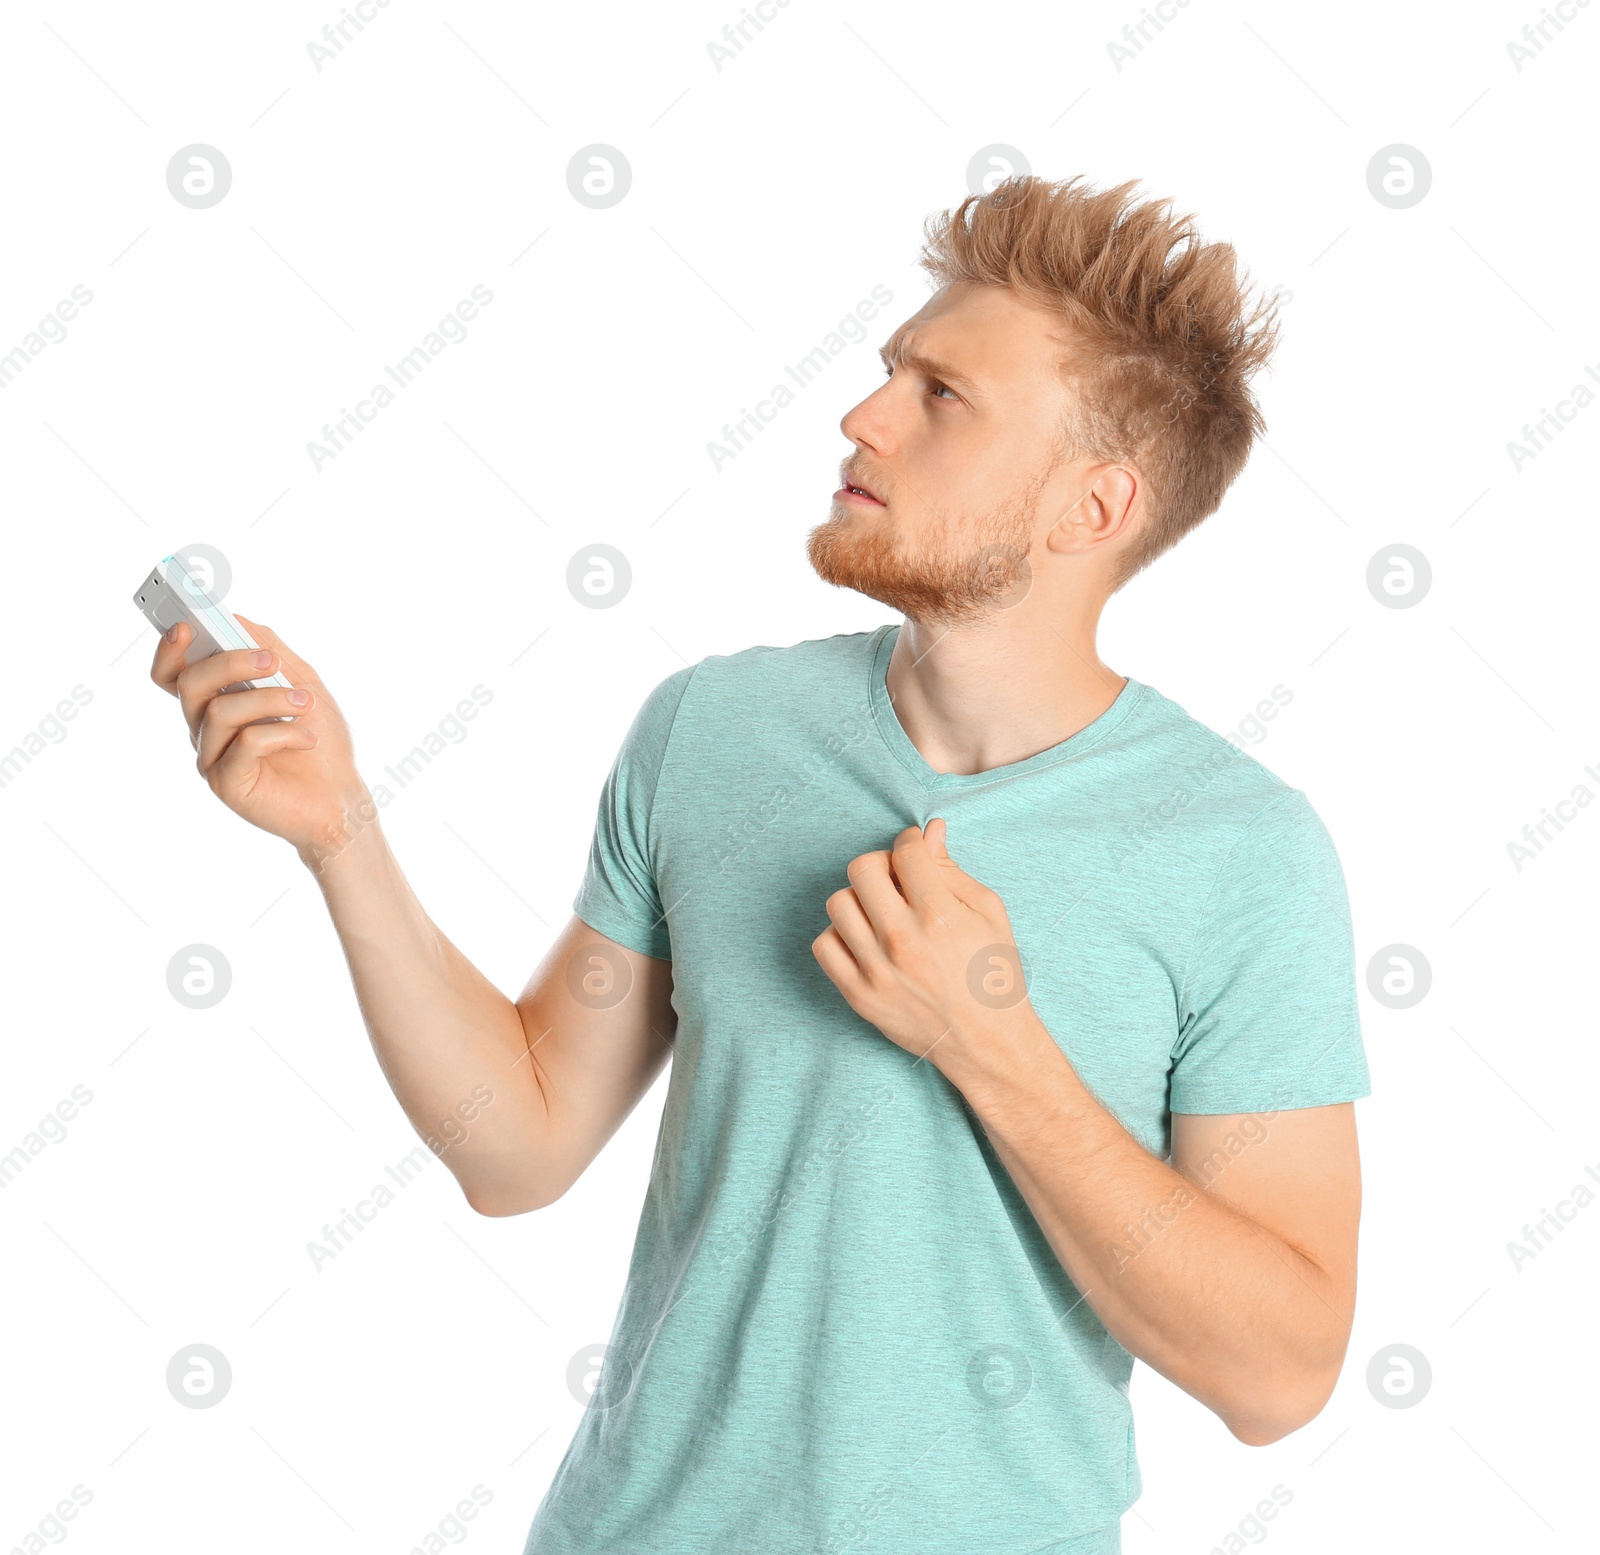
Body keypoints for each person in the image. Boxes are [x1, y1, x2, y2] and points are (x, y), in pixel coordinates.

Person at [151, 174, 1369, 1555]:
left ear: (1091, 507)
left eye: (941, 397)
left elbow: (1281, 1376)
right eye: (888, 374)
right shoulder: (712, 731)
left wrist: (991, 1045)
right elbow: (523, 1144)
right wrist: (340, 836)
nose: (864, 416)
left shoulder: (1240, 853)